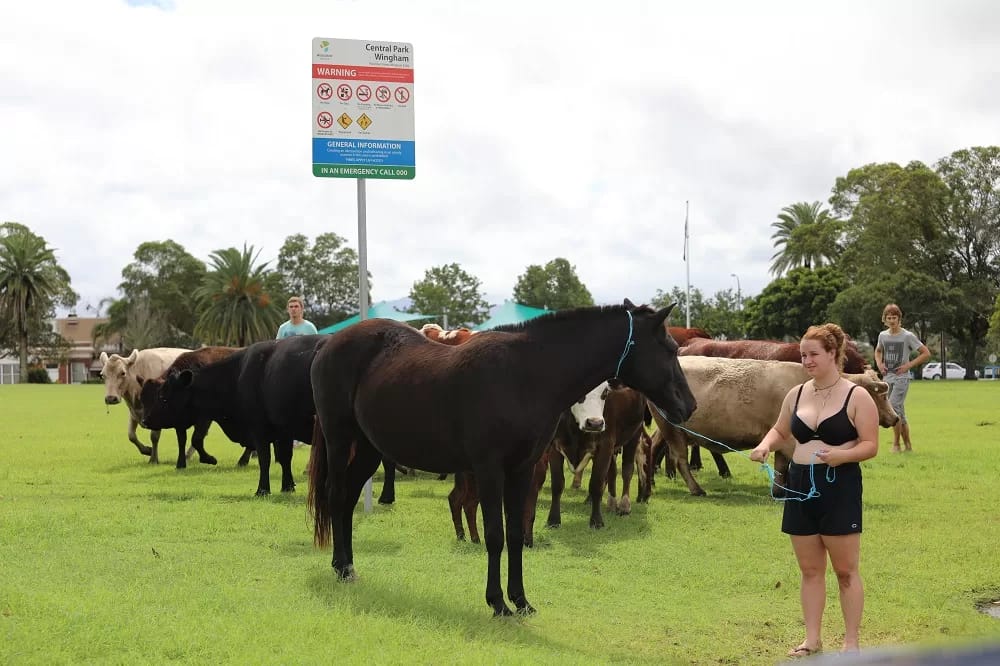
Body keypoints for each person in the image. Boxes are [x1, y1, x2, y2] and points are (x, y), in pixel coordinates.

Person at [750, 323, 880, 657]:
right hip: (798, 485)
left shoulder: (857, 395)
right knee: (810, 571)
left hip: (838, 486)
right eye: (803, 355)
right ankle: (812, 639)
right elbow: (780, 431)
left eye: (813, 354)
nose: (806, 361)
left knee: (846, 571)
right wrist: (765, 446)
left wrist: (842, 456)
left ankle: (851, 644)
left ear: (834, 354)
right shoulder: (796, 393)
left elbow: (870, 445)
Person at [873, 304, 930, 452]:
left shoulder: (907, 336)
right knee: (900, 414)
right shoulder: (882, 335)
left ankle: (896, 445)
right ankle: (908, 446)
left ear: (899, 319)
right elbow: (878, 351)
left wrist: (908, 366)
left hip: (901, 379)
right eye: (889, 318)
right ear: (884, 319)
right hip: (887, 379)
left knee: (892, 409)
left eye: (894, 317)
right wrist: (880, 364)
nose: (892, 321)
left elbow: (925, 353)